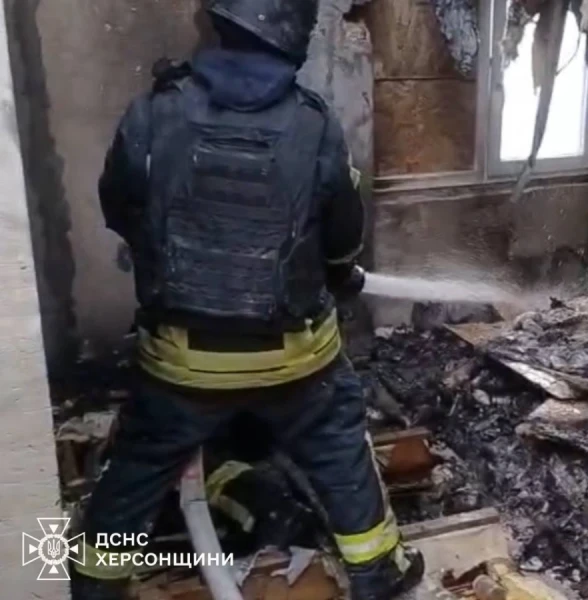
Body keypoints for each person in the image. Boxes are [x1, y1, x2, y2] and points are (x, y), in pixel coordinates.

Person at [70, 1, 424, 598]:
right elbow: (343, 236)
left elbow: (119, 205)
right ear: (294, 33)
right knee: (339, 445)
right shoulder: (315, 123)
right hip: (296, 365)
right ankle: (378, 572)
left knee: (135, 470)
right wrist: (340, 274)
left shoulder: (154, 111)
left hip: (180, 367)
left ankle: (91, 584)